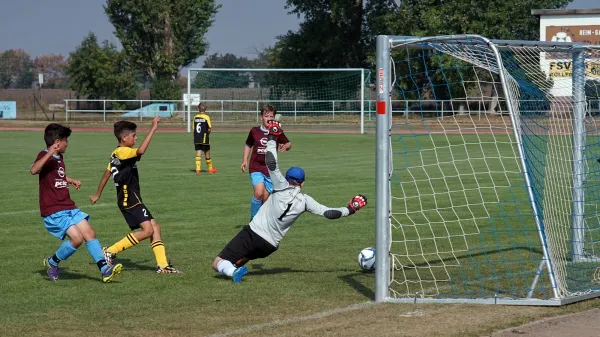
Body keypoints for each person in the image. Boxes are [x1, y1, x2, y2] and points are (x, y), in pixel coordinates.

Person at [214, 120, 367, 283]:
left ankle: (232, 273)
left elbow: (270, 161)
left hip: (254, 233)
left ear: (287, 178)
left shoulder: (281, 185)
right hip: (270, 246)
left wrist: (272, 136)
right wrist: (351, 208)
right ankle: (235, 268)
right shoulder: (305, 201)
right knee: (241, 257)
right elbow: (328, 213)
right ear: (302, 183)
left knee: (218, 262)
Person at [89, 116, 182, 274]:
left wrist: (97, 194)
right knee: (148, 231)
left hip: (130, 197)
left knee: (155, 227)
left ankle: (162, 265)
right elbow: (142, 151)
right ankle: (110, 251)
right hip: (129, 198)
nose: (136, 137)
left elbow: (106, 174)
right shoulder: (123, 152)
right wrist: (153, 128)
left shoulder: (116, 153)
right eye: (134, 135)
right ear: (124, 138)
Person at [31, 123, 122, 282]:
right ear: (57, 142)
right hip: (54, 209)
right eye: (66, 140)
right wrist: (49, 153)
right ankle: (53, 262)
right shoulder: (44, 154)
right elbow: (34, 170)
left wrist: (70, 179)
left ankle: (105, 270)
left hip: (68, 205)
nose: (68, 143)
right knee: (77, 239)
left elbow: (56, 175)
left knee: (90, 233)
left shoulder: (59, 158)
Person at [241, 104, 291, 220]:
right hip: (256, 167)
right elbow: (248, 144)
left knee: (266, 198)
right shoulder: (254, 131)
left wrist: (287, 146)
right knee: (258, 193)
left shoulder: (276, 131)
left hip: (270, 170)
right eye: (266, 116)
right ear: (261, 117)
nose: (269, 118)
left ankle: (262, 221)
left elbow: (288, 143)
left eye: (271, 116)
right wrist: (245, 160)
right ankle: (253, 219)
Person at [193, 103, 218, 174]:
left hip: (197, 137)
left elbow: (194, 128)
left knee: (198, 151)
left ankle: (198, 169)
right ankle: (210, 169)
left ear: (198, 109)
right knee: (207, 152)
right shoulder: (207, 117)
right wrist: (207, 135)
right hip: (204, 137)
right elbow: (209, 128)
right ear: (205, 109)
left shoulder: (195, 117)